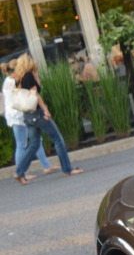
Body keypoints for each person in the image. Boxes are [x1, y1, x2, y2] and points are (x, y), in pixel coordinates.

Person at [10, 53, 83, 183]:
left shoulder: (19, 78)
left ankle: (19, 172)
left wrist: (36, 75)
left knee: (33, 144)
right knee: (58, 139)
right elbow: (36, 95)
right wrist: (45, 110)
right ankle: (67, 169)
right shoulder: (28, 76)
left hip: (28, 115)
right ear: (30, 62)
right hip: (38, 114)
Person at [3, 56, 54, 180]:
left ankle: (45, 165)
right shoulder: (17, 79)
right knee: (22, 144)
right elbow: (33, 92)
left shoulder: (7, 81)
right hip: (20, 115)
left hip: (14, 114)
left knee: (35, 140)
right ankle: (21, 172)